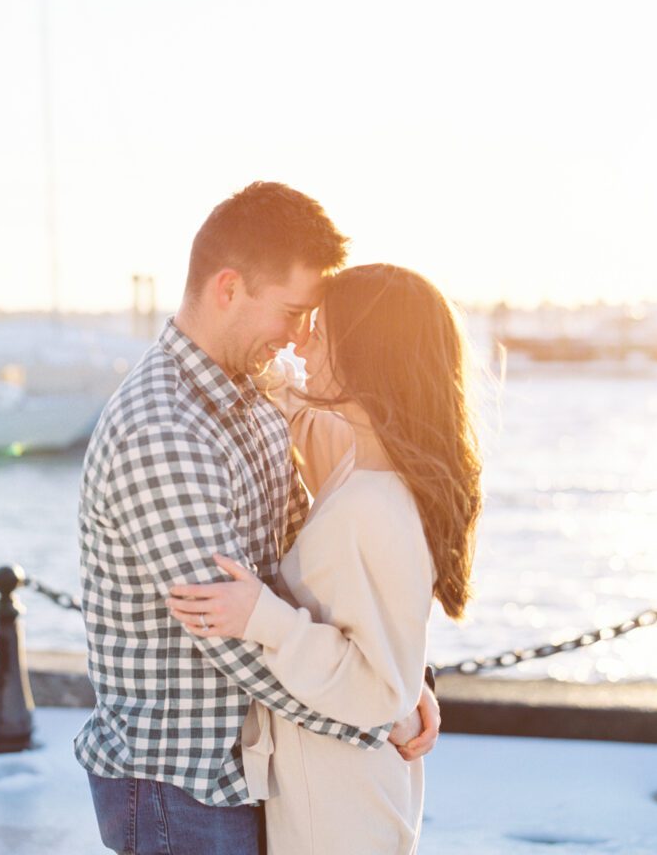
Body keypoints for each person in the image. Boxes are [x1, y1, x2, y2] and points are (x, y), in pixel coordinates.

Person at [75, 184, 439, 855]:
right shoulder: (165, 430)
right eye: (294, 312)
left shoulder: (256, 395)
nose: (302, 337)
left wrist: (401, 677)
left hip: (246, 770)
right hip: (178, 784)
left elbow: (303, 582)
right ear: (229, 288)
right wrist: (375, 712)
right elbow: (229, 636)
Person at [167, 263, 483, 854]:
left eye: (318, 330)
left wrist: (262, 616)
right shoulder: (364, 459)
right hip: (338, 789)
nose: (299, 341)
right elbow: (297, 409)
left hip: (340, 814)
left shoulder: (374, 503)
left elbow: (375, 690)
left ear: (366, 354)